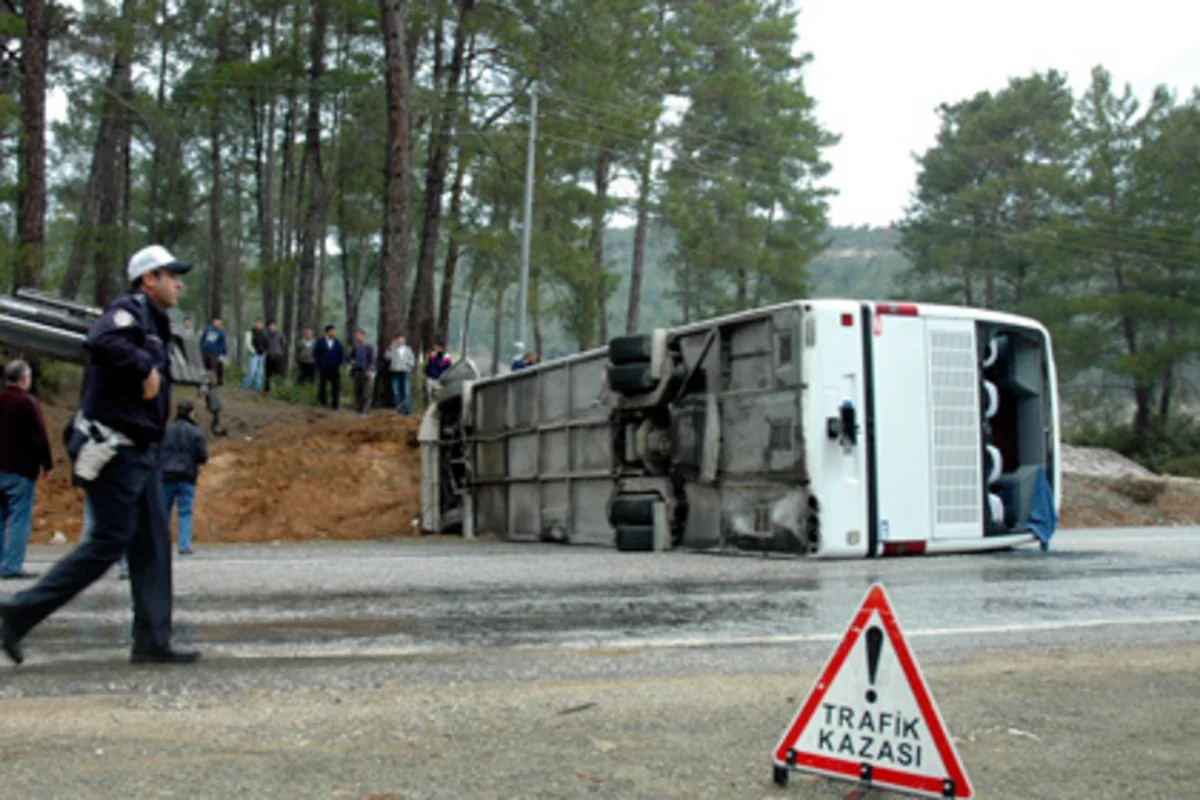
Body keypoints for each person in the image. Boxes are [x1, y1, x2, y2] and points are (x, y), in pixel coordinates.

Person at [0, 243, 200, 666]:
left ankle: (152, 640)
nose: (179, 282)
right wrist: (144, 368)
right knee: (108, 542)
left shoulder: (154, 322)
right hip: (114, 448)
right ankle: (16, 614)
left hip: (140, 450)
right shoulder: (128, 312)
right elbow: (101, 340)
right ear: (149, 279)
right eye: (170, 274)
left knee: (151, 545)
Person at [0, 360, 53, 580]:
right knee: (20, 518)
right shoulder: (28, 403)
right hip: (20, 469)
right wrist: (47, 464)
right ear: (24, 379)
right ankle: (11, 565)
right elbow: (39, 436)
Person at [160, 401, 208, 556]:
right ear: (190, 413)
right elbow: (203, 457)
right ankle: (184, 545)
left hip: (166, 475)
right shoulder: (196, 432)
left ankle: (161, 544)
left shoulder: (165, 429)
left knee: (163, 510)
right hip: (187, 476)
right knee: (185, 511)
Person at [313, 324, 344, 409]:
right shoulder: (320, 342)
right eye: (332, 331)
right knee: (322, 385)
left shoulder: (338, 343)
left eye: (334, 331)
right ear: (327, 332)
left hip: (334, 368)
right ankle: (322, 403)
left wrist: (339, 364)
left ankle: (335, 405)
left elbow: (341, 355)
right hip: (323, 367)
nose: (334, 333)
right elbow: (316, 354)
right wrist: (319, 364)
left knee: (335, 387)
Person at [348, 329, 376, 414]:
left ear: (363, 336)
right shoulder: (355, 347)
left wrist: (370, 370)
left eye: (359, 335)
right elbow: (350, 357)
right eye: (356, 336)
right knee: (357, 391)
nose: (357, 337)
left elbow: (372, 360)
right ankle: (358, 408)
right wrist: (351, 361)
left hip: (366, 371)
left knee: (366, 392)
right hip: (357, 371)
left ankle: (365, 409)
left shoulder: (369, 348)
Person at [386, 334, 415, 415]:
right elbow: (387, 357)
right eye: (398, 339)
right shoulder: (393, 349)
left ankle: (408, 410)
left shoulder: (408, 349)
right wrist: (391, 347)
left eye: (401, 339)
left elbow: (412, 360)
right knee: (396, 391)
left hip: (405, 372)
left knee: (406, 391)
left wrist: (407, 365)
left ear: (404, 340)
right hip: (395, 371)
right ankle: (398, 410)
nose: (400, 341)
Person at [199, 318, 227, 386]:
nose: (217, 323)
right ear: (213, 322)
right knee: (205, 368)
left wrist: (218, 352)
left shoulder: (221, 332)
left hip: (214, 353)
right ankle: (204, 382)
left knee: (214, 368)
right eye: (216, 321)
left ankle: (213, 383)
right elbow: (203, 338)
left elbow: (222, 344)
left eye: (219, 322)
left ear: (221, 323)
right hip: (205, 351)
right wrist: (202, 346)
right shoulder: (208, 329)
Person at [241, 319, 267, 393]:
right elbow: (248, 343)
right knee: (251, 372)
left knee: (259, 373)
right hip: (254, 355)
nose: (259, 325)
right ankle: (244, 387)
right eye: (258, 323)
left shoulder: (264, 333)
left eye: (260, 323)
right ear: (255, 324)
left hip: (262, 355)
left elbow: (266, 343)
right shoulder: (250, 332)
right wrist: (253, 351)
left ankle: (257, 389)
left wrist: (265, 351)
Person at [264, 320, 286, 394]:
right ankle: (267, 390)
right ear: (269, 327)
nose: (272, 327)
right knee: (268, 374)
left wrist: (280, 352)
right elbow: (265, 344)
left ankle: (279, 390)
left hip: (278, 356)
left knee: (278, 373)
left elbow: (283, 344)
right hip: (269, 356)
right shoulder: (266, 335)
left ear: (276, 326)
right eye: (271, 326)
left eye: (273, 325)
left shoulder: (280, 334)